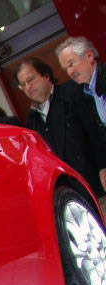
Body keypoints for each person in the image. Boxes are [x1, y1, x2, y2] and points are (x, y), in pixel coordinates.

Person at [17, 57, 106, 196]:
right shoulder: (31, 121)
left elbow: (94, 130)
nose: (28, 86)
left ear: (46, 76)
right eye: (23, 84)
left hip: (96, 179)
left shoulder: (71, 92)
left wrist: (103, 165)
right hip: (71, 193)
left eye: (30, 80)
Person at [56, 36, 106, 129]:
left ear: (89, 56)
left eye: (71, 64)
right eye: (66, 69)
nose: (70, 72)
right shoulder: (86, 92)